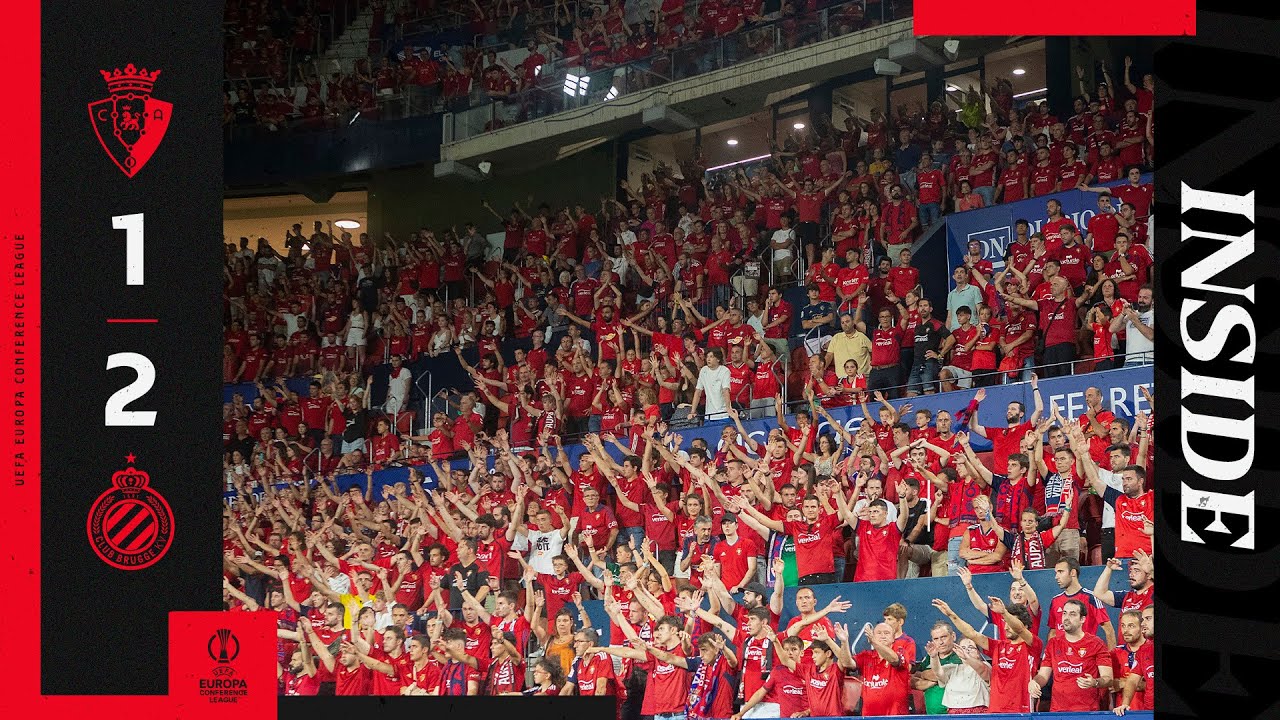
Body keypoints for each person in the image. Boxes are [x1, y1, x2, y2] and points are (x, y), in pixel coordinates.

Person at [931, 597, 1037, 714]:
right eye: (1004, 622)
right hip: (995, 711)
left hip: (1021, 710)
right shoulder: (998, 646)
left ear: (1026, 626)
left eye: (1010, 623)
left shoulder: (1032, 645)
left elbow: (1020, 629)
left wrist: (1004, 613)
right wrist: (951, 615)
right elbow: (972, 633)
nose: (1006, 627)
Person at [1030, 599, 1114, 711]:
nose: (1066, 618)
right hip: (1058, 711)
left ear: (1082, 619)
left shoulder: (1096, 643)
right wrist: (1035, 682)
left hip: (1086, 711)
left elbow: (1108, 678)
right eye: (1064, 613)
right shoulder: (1053, 643)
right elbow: (1043, 676)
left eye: (1072, 614)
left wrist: (1095, 682)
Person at [1048, 557, 1116, 649]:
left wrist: (1111, 659)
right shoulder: (1055, 601)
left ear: (1073, 573)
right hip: (1061, 658)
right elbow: (1053, 632)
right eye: (1056, 573)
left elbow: (1109, 630)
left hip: (1085, 655)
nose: (1056, 577)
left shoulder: (1092, 597)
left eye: (1060, 572)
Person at [1109, 285, 1153, 366]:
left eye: (1145, 298)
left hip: (1148, 360)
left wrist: (1135, 320)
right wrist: (1123, 313)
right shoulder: (1132, 314)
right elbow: (1112, 329)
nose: (1141, 300)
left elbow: (1151, 336)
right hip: (1129, 361)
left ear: (1153, 301)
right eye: (1140, 297)